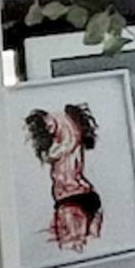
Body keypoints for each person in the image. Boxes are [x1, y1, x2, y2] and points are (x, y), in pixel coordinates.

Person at [27, 100, 107, 252]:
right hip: (82, 194)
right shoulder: (70, 133)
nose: (48, 130)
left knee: (72, 244)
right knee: (86, 243)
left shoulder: (66, 135)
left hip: (69, 197)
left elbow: (55, 152)